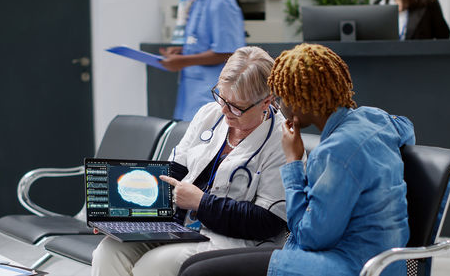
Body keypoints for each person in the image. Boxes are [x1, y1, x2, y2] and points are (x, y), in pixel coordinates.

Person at [178, 43, 416, 276]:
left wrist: (293, 162)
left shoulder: (335, 152)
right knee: (195, 264)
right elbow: (407, 129)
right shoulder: (375, 118)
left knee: (197, 271)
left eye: (281, 99)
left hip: (346, 263)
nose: (278, 107)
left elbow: (308, 238)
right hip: (381, 259)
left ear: (301, 100)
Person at [91, 46, 288, 276]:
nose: (224, 110)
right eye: (221, 96)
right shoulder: (209, 114)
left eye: (236, 106)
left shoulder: (281, 140)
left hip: (234, 241)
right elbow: (172, 173)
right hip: (181, 228)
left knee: (153, 266)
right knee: (108, 251)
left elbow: (268, 222)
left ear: (266, 102)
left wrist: (201, 202)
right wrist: (125, 218)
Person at [159, 0, 246, 121]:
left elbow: (229, 51)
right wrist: (184, 51)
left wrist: (183, 61)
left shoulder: (221, 1)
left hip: (212, 96)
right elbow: (203, 43)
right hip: (192, 98)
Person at [375, 0, 450, 40]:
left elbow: (444, 36)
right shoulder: (379, 5)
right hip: (387, 63)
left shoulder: (429, 3)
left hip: (419, 63)